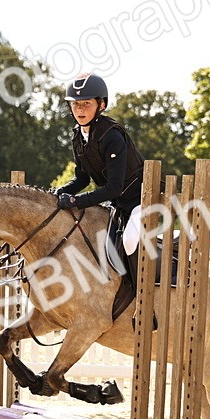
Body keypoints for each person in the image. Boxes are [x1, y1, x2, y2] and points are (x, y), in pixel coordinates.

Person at [55, 73, 146, 318]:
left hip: (142, 199)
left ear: (101, 105)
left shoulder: (112, 136)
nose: (80, 109)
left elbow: (114, 187)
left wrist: (76, 201)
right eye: (75, 104)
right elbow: (82, 179)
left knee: (128, 241)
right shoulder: (78, 136)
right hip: (119, 203)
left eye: (86, 104)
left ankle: (143, 301)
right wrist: (59, 193)